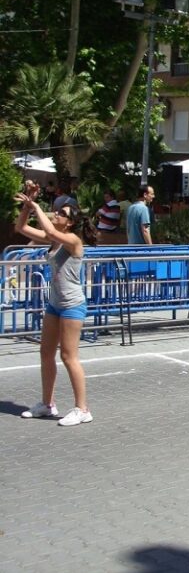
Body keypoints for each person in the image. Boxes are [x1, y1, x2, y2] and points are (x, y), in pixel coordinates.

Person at [15, 181, 98, 427]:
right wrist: (28, 206)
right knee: (46, 352)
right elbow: (20, 227)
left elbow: (51, 231)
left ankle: (83, 409)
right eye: (57, 211)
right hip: (55, 304)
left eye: (62, 213)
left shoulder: (73, 240)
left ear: (70, 222)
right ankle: (47, 403)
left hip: (73, 305)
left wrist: (36, 207)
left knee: (68, 356)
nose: (57, 214)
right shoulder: (53, 241)